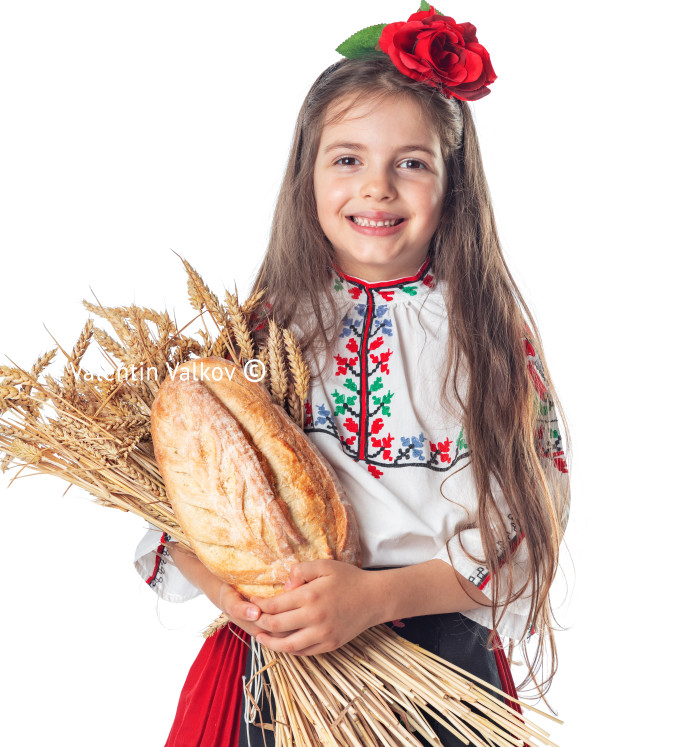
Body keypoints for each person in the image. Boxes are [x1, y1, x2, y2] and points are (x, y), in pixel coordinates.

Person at [133, 6, 570, 746]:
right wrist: (239, 598)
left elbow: (523, 526)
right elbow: (179, 502)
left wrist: (372, 598)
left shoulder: (486, 337)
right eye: (347, 159)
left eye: (412, 161)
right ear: (306, 174)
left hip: (432, 670)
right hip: (272, 668)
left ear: (454, 182)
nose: (378, 188)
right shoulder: (266, 330)